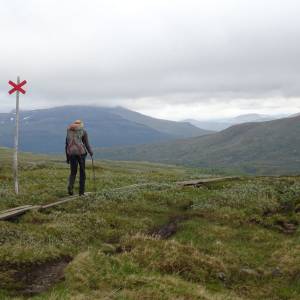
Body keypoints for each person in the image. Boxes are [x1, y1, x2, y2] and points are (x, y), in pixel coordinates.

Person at [65, 120, 93, 196]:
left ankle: (70, 188)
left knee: (73, 172)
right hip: (81, 153)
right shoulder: (83, 131)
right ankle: (81, 192)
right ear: (81, 125)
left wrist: (67, 157)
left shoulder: (69, 131)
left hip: (71, 153)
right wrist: (90, 152)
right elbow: (86, 144)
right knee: (82, 173)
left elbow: (67, 144)